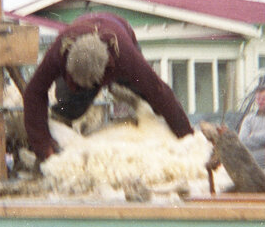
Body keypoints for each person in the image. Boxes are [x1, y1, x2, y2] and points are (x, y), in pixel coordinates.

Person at [23, 12, 194, 161]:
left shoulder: (126, 58)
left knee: (150, 97)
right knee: (70, 106)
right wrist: (42, 143)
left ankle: (124, 91)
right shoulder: (60, 50)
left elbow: (160, 91)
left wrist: (189, 140)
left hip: (119, 38)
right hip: (81, 39)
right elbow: (33, 92)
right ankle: (61, 130)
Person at [238, 79, 265, 169]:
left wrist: (252, 137)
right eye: (258, 98)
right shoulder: (249, 119)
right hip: (249, 156)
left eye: (264, 98)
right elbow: (242, 140)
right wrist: (260, 141)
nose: (260, 101)